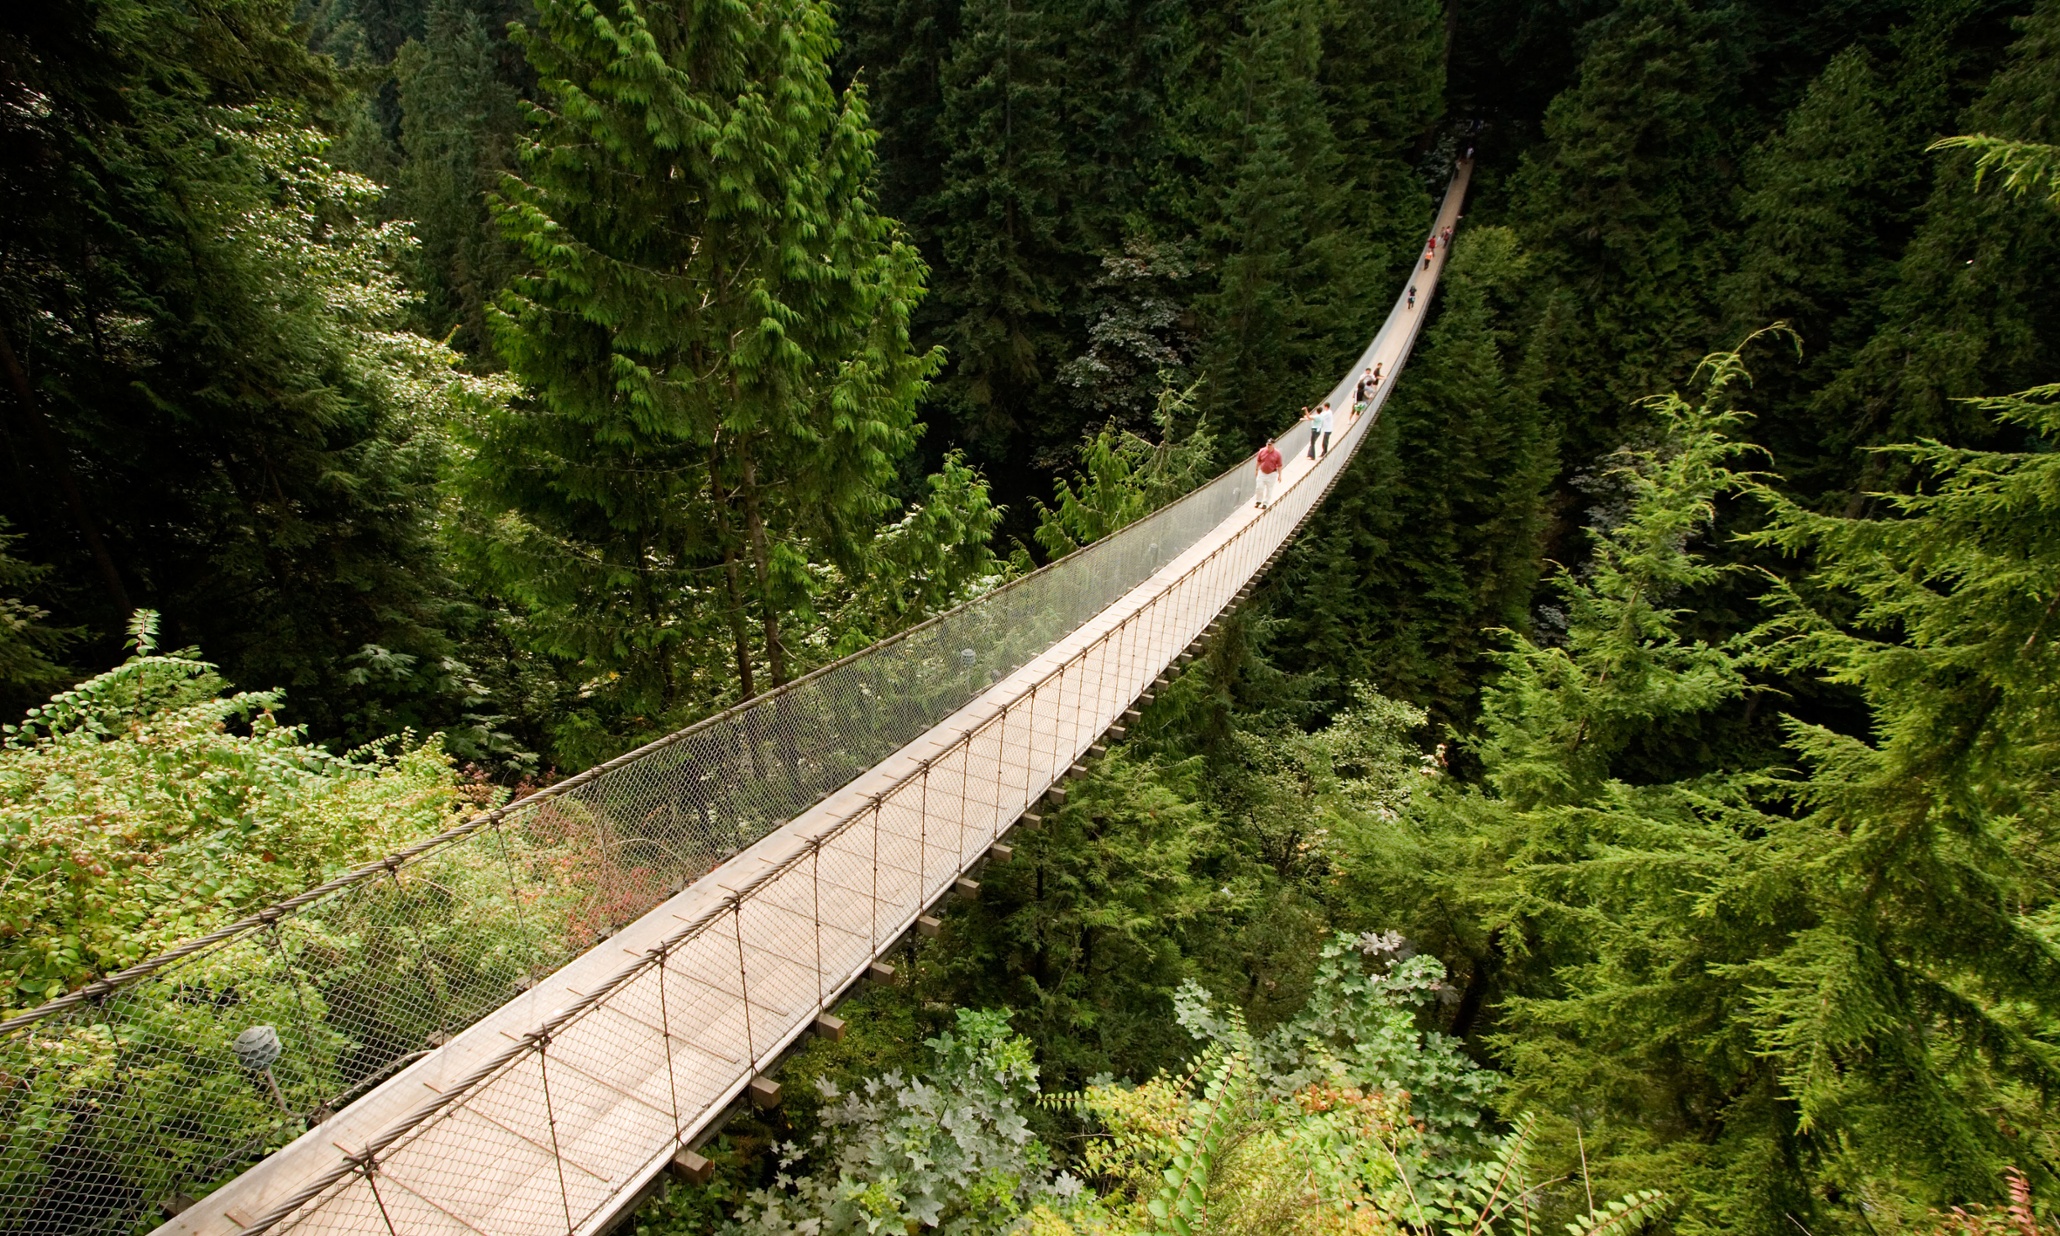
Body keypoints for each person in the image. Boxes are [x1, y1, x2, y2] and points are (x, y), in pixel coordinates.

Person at [1254, 440, 1283, 508]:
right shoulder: (1262, 451)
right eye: (1268, 444)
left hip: (1272, 473)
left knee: (1269, 489)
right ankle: (1258, 501)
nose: (1268, 446)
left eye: (1270, 444)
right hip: (1262, 472)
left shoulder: (1277, 454)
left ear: (1273, 445)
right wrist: (1256, 470)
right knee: (1259, 487)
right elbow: (1258, 461)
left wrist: (1280, 475)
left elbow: (1279, 465)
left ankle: (1265, 503)